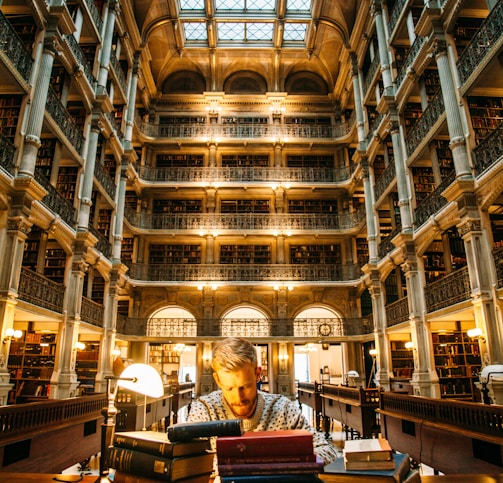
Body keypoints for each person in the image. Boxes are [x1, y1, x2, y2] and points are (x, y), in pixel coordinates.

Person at [187, 337, 339, 464]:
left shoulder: (282, 408)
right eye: (229, 388)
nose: (239, 398)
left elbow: (327, 450)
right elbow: (186, 462)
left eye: (245, 387)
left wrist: (286, 466)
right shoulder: (204, 409)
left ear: (258, 374)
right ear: (218, 380)